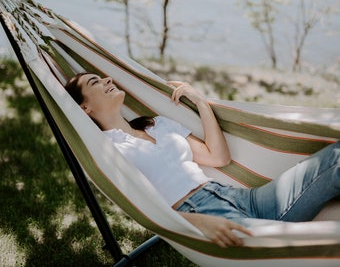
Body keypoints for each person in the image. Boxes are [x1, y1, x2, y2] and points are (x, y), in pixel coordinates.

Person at [65, 72, 340, 248]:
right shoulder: (107, 149)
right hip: (204, 217)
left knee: (335, 159)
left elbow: (217, 157)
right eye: (95, 83)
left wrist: (201, 103)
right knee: (310, 244)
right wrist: (196, 224)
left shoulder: (157, 125)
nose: (107, 81)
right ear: (84, 108)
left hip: (243, 198)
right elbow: (142, 209)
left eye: (104, 78)